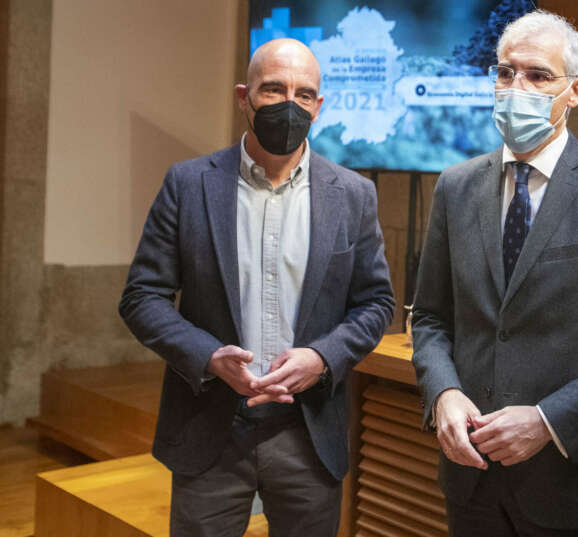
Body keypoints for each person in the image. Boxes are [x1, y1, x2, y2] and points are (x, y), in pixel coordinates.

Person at [410, 9, 578, 537]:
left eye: (537, 75)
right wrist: (443, 392)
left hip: (571, 484)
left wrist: (548, 421)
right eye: (506, 72)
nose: (516, 87)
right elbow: (432, 319)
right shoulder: (456, 187)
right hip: (471, 479)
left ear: (575, 90)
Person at [119, 38, 395, 537]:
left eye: (304, 94)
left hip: (307, 433)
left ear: (320, 106)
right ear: (244, 97)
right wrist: (207, 357)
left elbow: (376, 304)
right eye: (274, 89)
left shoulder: (353, 196)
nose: (290, 105)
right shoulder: (188, 184)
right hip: (212, 428)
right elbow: (142, 297)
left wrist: (323, 358)